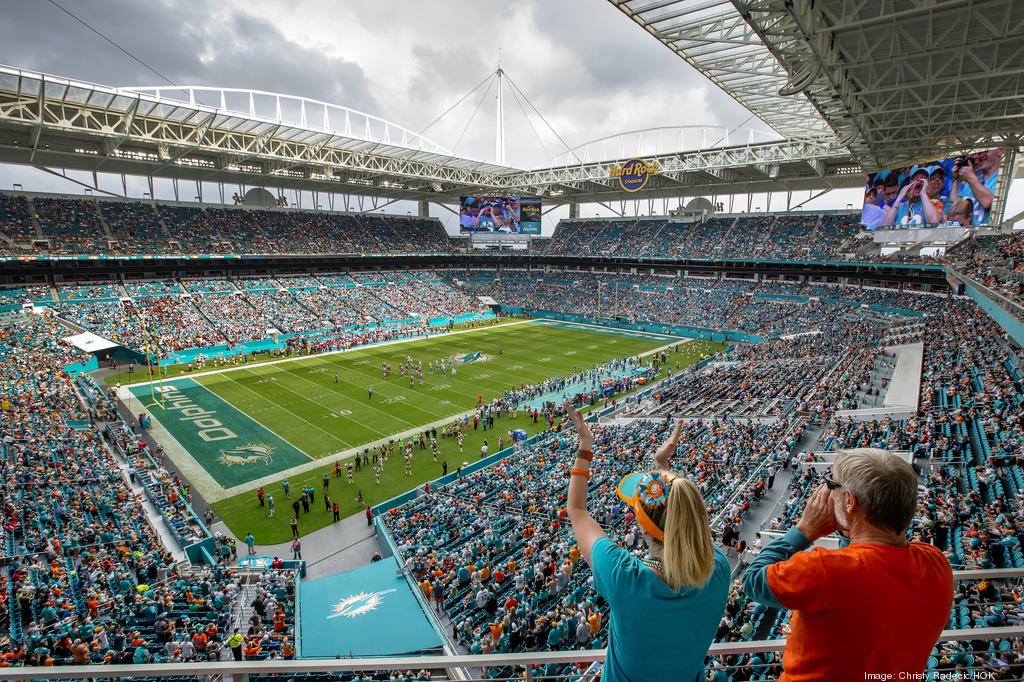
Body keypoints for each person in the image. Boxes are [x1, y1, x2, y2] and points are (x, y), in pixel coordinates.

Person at [741, 448, 953, 680]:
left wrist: (803, 531)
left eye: (832, 485)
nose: (828, 492)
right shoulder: (935, 561)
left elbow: (753, 581)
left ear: (850, 501)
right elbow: (864, 567)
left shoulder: (824, 570)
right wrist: (848, 526)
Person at [562, 405, 729, 682]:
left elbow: (577, 511)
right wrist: (663, 469)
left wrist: (585, 445)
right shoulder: (719, 569)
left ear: (642, 525)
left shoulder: (625, 577)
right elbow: (685, 519)